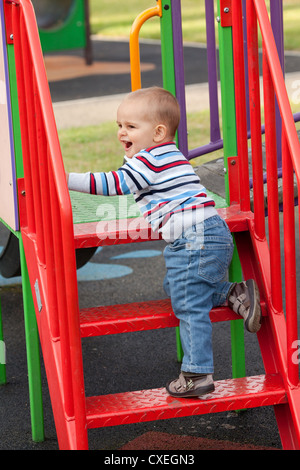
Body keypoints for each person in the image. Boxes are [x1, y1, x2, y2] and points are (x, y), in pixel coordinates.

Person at [66, 86, 262, 398]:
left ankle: (197, 372)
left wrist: (64, 180)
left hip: (194, 239)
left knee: (188, 304)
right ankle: (234, 292)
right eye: (119, 126)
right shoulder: (168, 155)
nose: (121, 133)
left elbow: (114, 183)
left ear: (158, 132)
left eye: (130, 127)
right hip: (208, 234)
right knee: (177, 289)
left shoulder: (149, 159)